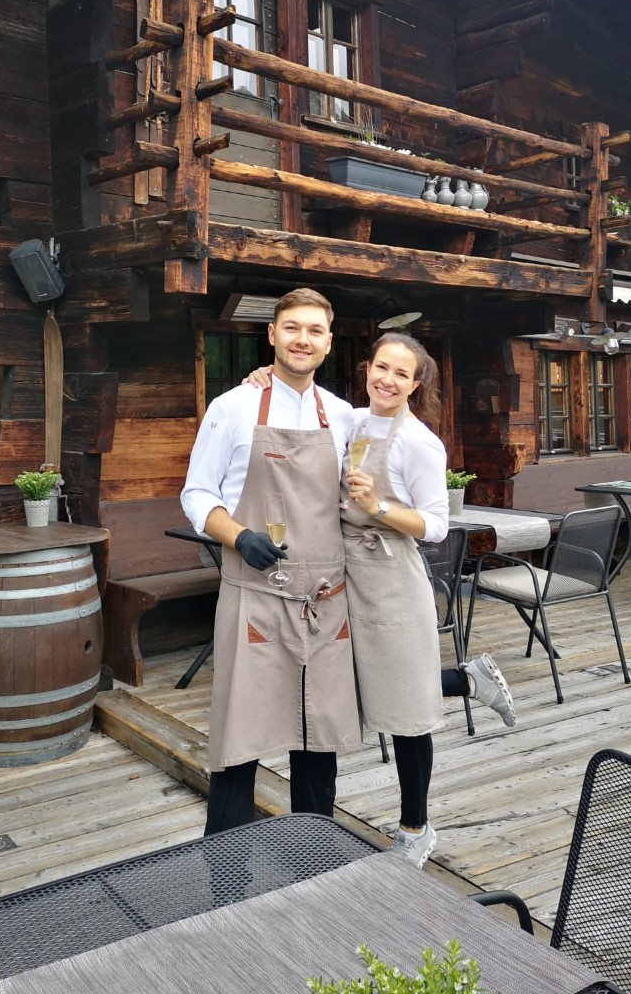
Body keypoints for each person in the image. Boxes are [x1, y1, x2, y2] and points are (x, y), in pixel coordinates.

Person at [180, 287, 361, 836]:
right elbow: (196, 495)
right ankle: (224, 875)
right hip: (255, 599)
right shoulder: (231, 408)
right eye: (292, 328)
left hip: (325, 604)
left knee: (318, 745)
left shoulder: (346, 417)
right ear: (272, 335)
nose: (302, 339)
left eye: (314, 331)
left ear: (329, 343)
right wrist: (238, 537)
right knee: (239, 747)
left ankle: (313, 867)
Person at [341, 332, 514, 865]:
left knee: (408, 711)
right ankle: (466, 680)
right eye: (381, 368)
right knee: (350, 683)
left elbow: (437, 525)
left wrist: (377, 506)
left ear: (416, 384)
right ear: (367, 368)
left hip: (391, 575)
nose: (387, 380)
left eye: (401, 374)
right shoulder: (348, 420)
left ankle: (415, 828)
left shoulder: (420, 442)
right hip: (342, 569)